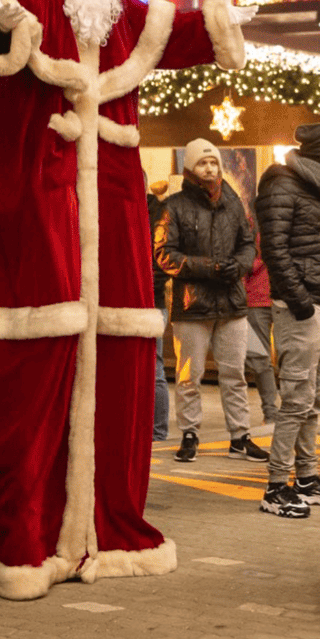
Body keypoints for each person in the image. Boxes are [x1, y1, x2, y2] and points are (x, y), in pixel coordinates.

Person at [0, 0, 253, 600]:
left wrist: (223, 18)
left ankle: (101, 526)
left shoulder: (118, 3)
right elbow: (2, 51)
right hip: (43, 192)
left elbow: (175, 32)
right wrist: (5, 27)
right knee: (39, 357)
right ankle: (27, 531)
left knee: (117, 358)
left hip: (114, 195)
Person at [256, 123, 320, 518]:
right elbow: (275, 250)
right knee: (294, 400)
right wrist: (302, 303)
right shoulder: (281, 183)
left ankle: (307, 478)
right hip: (303, 308)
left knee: (314, 399)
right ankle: (276, 485)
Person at [154, 138, 265, 463]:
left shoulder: (233, 203)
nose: (210, 168)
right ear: (190, 168)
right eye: (203, 163)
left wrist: (240, 265)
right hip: (192, 305)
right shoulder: (173, 206)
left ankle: (240, 437)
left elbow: (248, 243)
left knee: (235, 375)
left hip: (232, 303)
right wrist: (211, 268)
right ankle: (190, 434)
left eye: (214, 162)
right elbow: (164, 254)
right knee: (190, 376)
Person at [244, 228, 280, 424]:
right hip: (259, 297)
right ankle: (272, 412)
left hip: (273, 295)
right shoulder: (249, 221)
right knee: (260, 359)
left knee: (263, 359)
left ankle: (277, 412)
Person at [147, 176, 172, 442]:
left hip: (150, 298)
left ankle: (157, 430)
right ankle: (158, 431)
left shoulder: (156, 214)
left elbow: (164, 258)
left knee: (155, 368)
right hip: (154, 298)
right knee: (156, 367)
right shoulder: (160, 213)